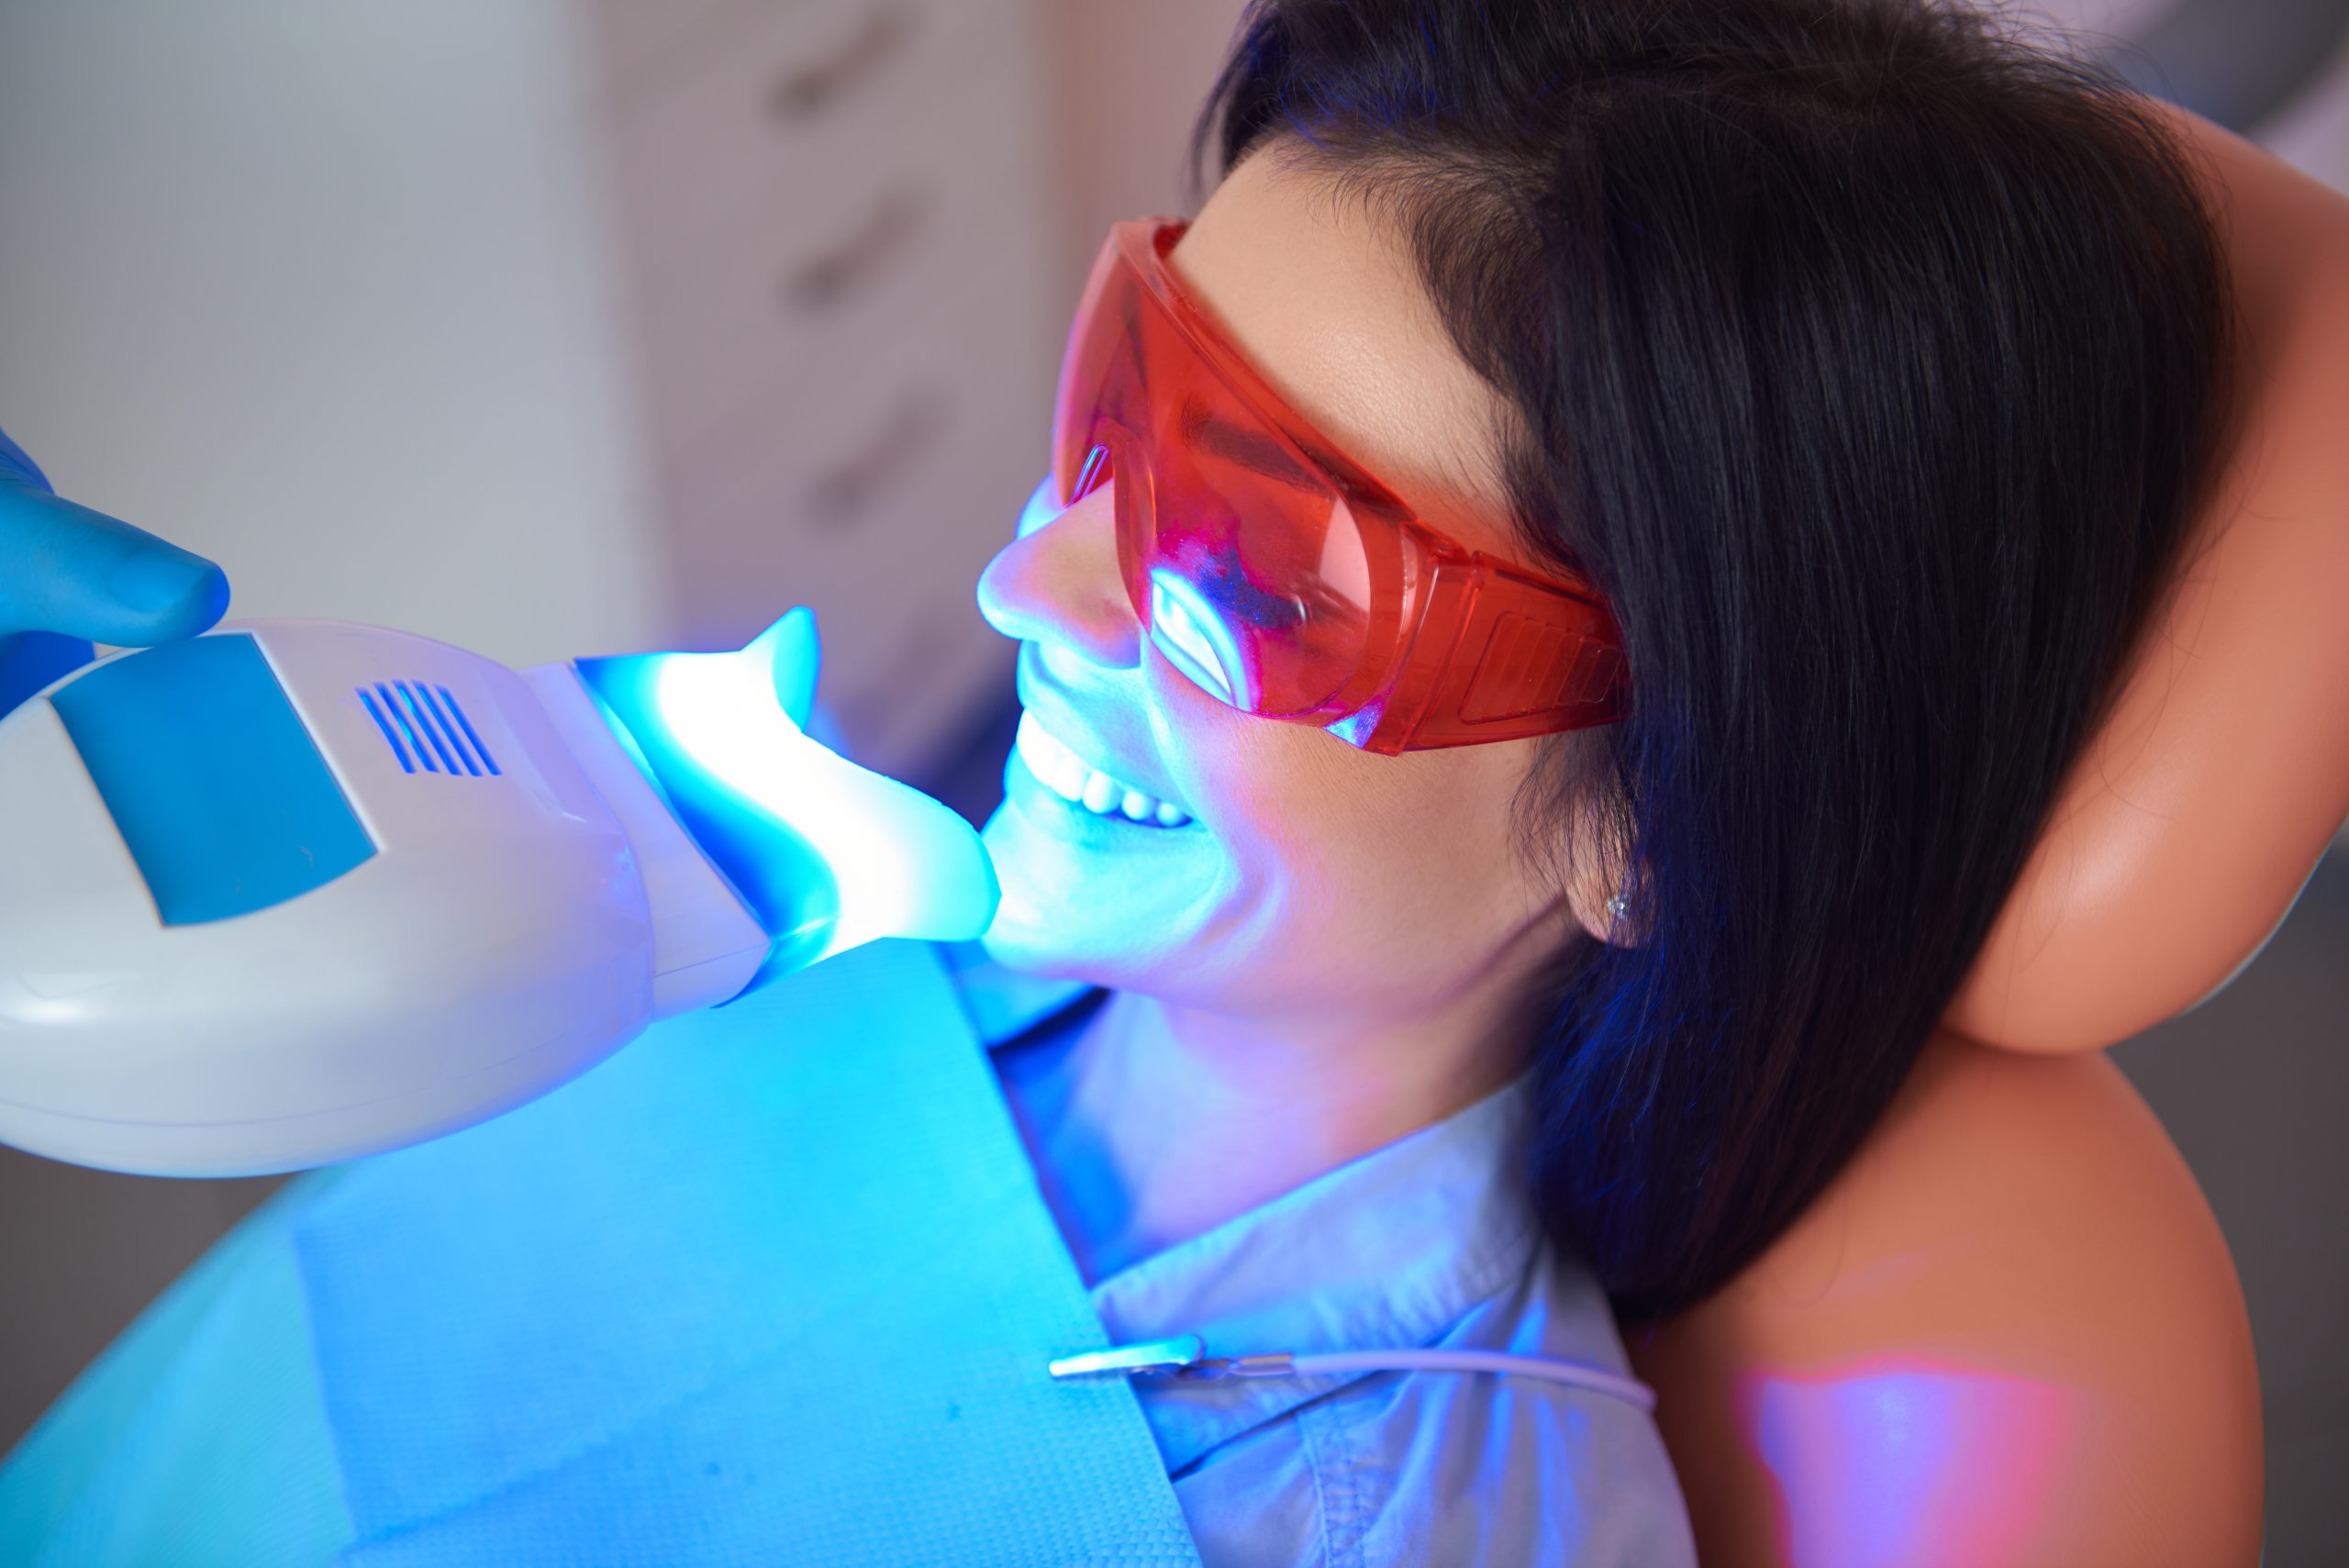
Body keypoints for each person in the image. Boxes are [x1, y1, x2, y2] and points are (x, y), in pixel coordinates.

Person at [0, 0, 2235, 1562]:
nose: (1022, 580)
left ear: (1647, 816)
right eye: (1109, 408)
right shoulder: (768, 876)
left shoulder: (1384, 1524)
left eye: (1251, 556)